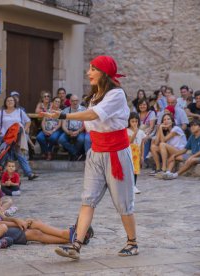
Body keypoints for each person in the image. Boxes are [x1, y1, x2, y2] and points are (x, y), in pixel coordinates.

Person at [42, 55, 138, 259]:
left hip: (116, 154)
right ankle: (76, 244)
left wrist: (62, 115)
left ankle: (132, 242)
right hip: (96, 153)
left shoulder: (116, 94)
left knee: (123, 202)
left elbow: (93, 115)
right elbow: (91, 119)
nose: (88, 72)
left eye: (93, 69)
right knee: (88, 199)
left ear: (104, 72)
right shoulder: (95, 95)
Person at [0, 173, 83, 245]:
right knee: (35, 233)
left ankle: (68, 236)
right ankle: (70, 237)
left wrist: (17, 220)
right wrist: (21, 223)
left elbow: (3, 217)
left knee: (35, 223)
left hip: (5, 226)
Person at [0, 96, 38, 180]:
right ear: (5, 102)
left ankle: (0, 170)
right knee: (7, 153)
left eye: (11, 100)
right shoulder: (1, 112)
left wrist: (24, 130)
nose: (10, 102)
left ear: (15, 102)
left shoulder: (19, 111)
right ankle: (28, 173)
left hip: (17, 137)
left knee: (13, 154)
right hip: (5, 137)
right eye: (8, 100)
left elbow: (28, 121)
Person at [150, 113, 187, 177]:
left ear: (172, 121)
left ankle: (163, 168)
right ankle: (158, 169)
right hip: (172, 152)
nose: (166, 121)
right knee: (153, 147)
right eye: (164, 120)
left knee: (162, 144)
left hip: (180, 153)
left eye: (168, 119)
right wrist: (160, 128)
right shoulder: (166, 132)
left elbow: (163, 141)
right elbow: (156, 143)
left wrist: (161, 127)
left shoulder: (176, 129)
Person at [58, 95, 87, 161]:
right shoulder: (65, 110)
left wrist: (78, 131)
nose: (75, 102)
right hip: (69, 130)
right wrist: (68, 132)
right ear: (70, 102)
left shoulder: (84, 110)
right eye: (73, 101)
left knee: (81, 140)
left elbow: (84, 124)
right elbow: (63, 125)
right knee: (61, 140)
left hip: (80, 130)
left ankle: (73, 153)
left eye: (76, 101)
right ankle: (76, 153)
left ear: (78, 101)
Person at [127, 112, 146, 194]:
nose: (134, 123)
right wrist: (134, 132)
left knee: (135, 170)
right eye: (132, 121)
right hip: (130, 152)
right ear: (129, 122)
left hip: (137, 154)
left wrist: (142, 155)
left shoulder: (141, 132)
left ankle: (134, 185)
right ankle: (129, 186)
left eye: (136, 121)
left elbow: (142, 144)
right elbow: (129, 141)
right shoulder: (127, 131)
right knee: (129, 170)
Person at [137, 98, 157, 165]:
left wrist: (146, 136)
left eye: (144, 104)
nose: (142, 106)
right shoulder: (137, 114)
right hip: (139, 134)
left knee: (145, 140)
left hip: (149, 134)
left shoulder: (151, 113)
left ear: (147, 105)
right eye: (140, 105)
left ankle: (141, 159)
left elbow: (151, 127)